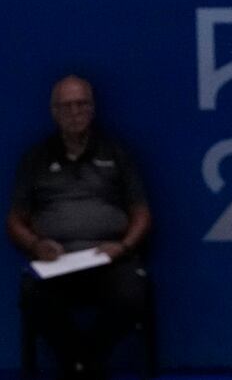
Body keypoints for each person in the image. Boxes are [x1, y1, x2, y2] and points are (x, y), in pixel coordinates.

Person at [7, 75, 152, 379]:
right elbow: (15, 220)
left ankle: (81, 363)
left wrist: (123, 246)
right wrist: (35, 245)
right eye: (67, 106)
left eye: (82, 104)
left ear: (93, 108)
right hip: (56, 262)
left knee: (133, 293)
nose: (75, 112)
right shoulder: (35, 158)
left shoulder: (116, 152)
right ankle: (83, 364)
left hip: (111, 259)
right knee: (33, 295)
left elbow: (141, 213)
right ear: (54, 111)